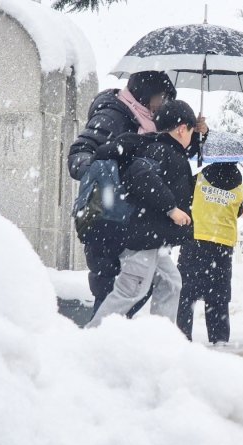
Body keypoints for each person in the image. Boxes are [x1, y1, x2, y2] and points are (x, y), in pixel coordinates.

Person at [68, 71, 208, 316]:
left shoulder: (151, 127)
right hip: (109, 218)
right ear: (144, 94)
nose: (162, 105)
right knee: (119, 291)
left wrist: (197, 134)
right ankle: (97, 342)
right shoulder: (113, 115)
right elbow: (82, 154)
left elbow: (170, 151)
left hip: (135, 221)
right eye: (160, 98)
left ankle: (145, 341)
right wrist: (114, 179)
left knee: (159, 284)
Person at [87, 100, 198, 328]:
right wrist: (171, 208)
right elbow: (139, 176)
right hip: (141, 238)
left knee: (171, 283)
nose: (192, 137)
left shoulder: (166, 148)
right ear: (181, 129)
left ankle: (159, 338)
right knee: (129, 292)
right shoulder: (161, 150)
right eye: (191, 131)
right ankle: (90, 339)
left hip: (152, 239)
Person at [176, 161, 243, 344]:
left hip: (197, 239)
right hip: (223, 243)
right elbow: (239, 211)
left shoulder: (199, 179)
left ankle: (182, 336)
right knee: (218, 295)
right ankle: (219, 338)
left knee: (187, 293)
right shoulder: (239, 186)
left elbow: (184, 202)